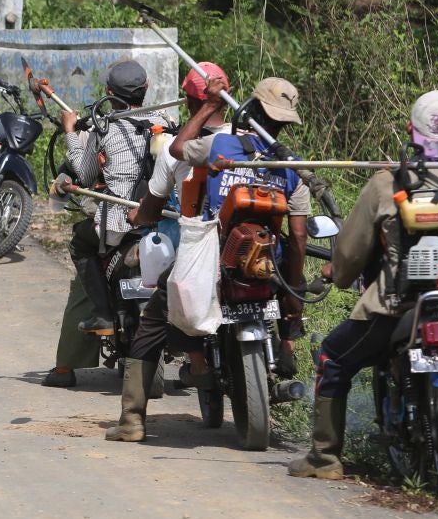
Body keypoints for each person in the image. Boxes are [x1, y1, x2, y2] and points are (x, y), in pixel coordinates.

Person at [289, 90, 438, 480]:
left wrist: (338, 276)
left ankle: (324, 458)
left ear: (410, 131)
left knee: (332, 358)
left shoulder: (384, 185)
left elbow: (350, 256)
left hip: (393, 308)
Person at [104, 62, 230, 441]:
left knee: (152, 322)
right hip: (242, 258)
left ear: (191, 102)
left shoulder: (176, 152)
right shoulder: (249, 141)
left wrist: (137, 214)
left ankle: (131, 420)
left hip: (197, 258)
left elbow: (151, 208)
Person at [172, 75, 313, 378]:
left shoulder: (219, 144)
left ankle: (197, 367)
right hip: (269, 261)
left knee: (172, 287)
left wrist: (210, 104)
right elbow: (299, 237)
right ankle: (287, 344)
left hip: (218, 255)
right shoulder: (294, 169)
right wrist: (293, 293)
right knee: (290, 260)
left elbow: (178, 148)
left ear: (252, 110)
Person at [44, 59, 172, 388]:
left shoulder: (105, 129)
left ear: (108, 94)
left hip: (118, 222)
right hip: (163, 221)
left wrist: (71, 132)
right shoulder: (167, 122)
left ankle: (101, 314)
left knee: (79, 241)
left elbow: (85, 174)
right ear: (145, 91)